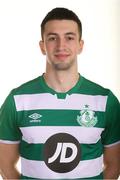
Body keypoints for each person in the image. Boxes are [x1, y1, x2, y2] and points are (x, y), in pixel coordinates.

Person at [0, 7, 120, 180]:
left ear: (80, 45)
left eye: (69, 38)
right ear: (42, 46)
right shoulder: (18, 100)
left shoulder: (105, 101)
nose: (61, 45)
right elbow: (5, 162)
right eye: (52, 38)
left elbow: (115, 164)